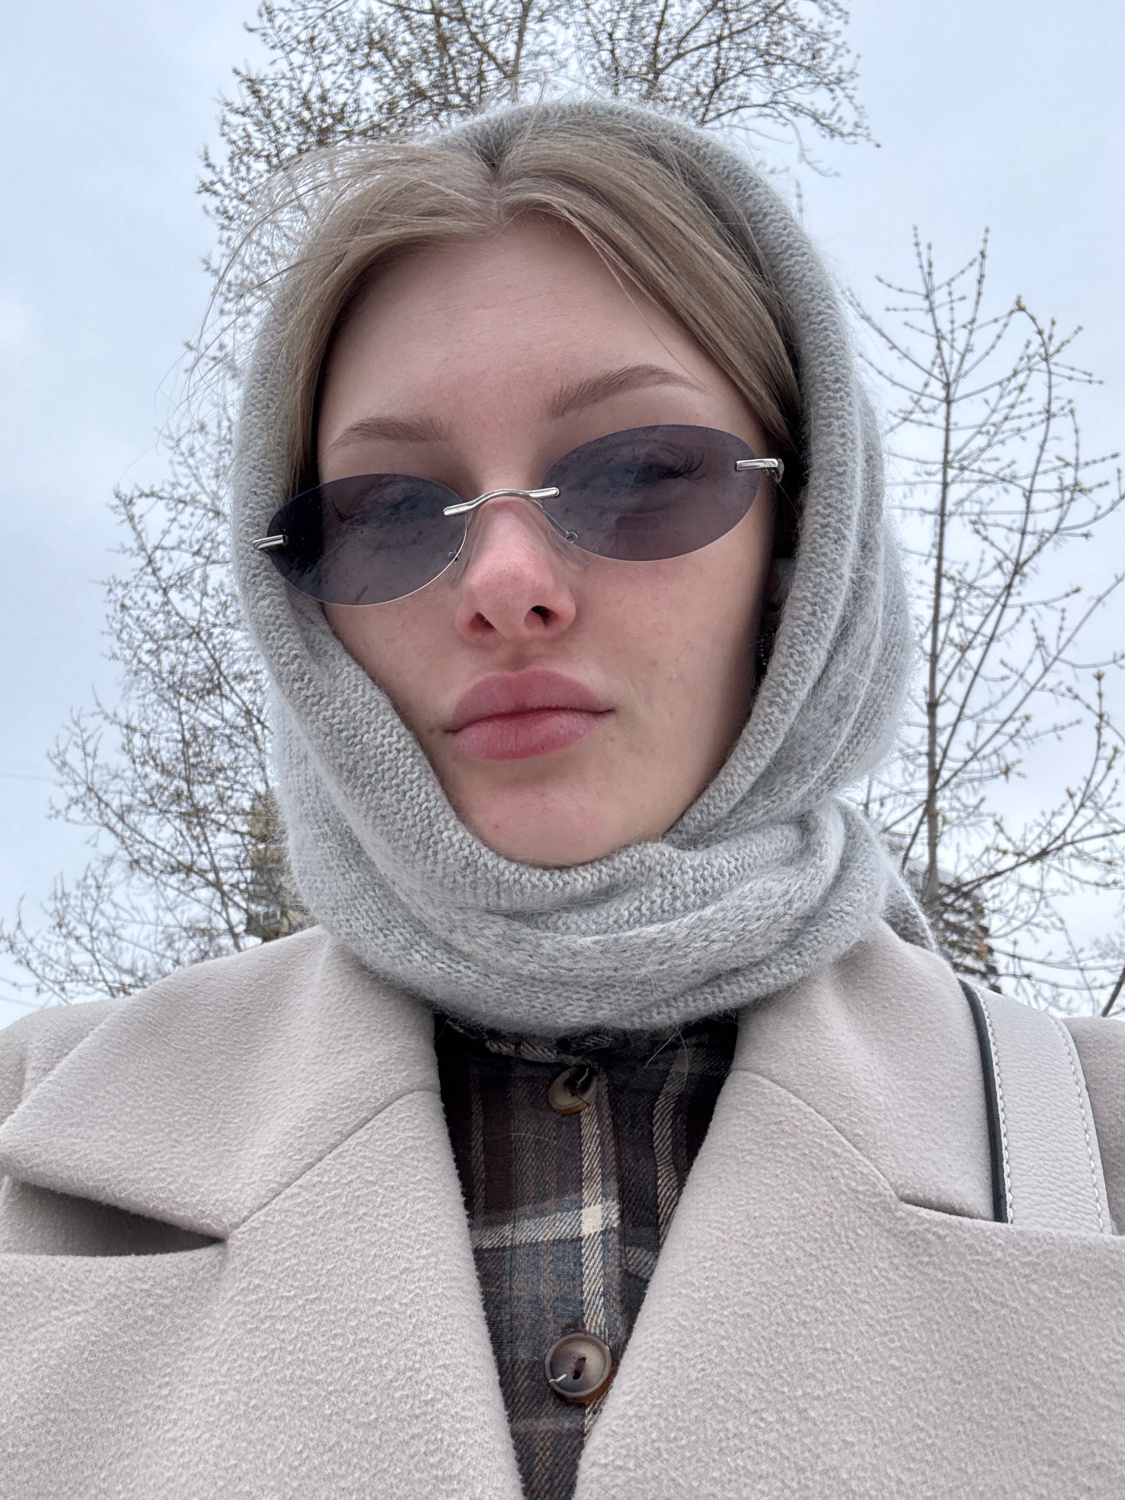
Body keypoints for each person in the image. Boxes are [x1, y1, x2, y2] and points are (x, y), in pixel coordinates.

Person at [1, 100, 1123, 1500]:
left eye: (642, 473)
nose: (504, 583)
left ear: (804, 546)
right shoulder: (33, 1133)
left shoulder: (1094, 1142)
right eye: (388, 511)